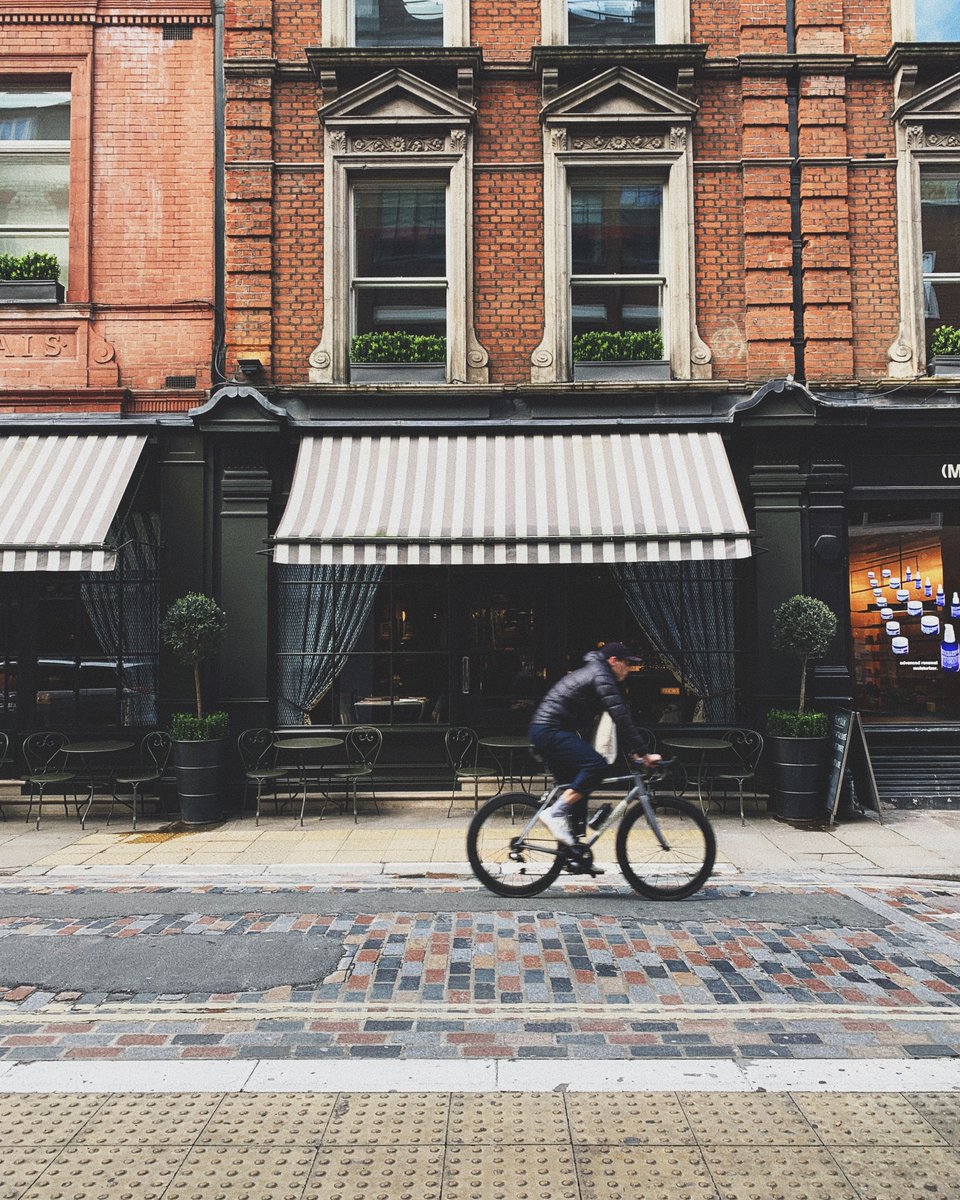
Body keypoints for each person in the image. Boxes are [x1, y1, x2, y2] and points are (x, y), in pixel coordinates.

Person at [528, 642, 661, 846]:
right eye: (626, 663)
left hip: (551, 730)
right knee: (596, 765)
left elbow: (617, 721)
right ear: (613, 661)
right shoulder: (601, 676)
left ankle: (575, 852)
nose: (629, 669)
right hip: (550, 730)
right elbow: (622, 716)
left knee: (578, 789)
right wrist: (644, 753)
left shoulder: (598, 673)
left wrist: (635, 752)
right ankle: (554, 813)